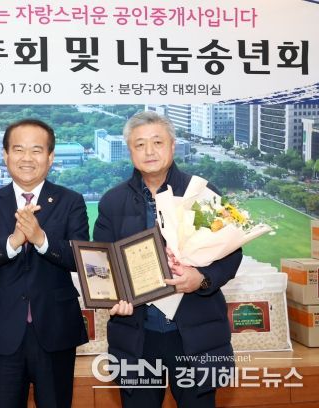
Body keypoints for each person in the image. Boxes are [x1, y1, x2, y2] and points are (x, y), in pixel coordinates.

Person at [93, 111, 242, 407]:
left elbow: (232, 253)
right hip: (137, 336)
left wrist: (201, 278)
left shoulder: (202, 192)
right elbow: (102, 265)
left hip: (194, 335)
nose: (149, 151)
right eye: (140, 144)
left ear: (173, 146)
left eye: (158, 142)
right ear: (130, 151)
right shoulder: (112, 201)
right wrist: (113, 298)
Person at [0, 119, 89, 408]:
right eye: (18, 149)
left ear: (50, 157)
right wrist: (14, 241)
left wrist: (40, 239)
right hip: (1, 330)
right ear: (6, 155)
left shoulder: (71, 201)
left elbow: (80, 258)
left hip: (56, 328)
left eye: (36, 150)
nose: (27, 158)